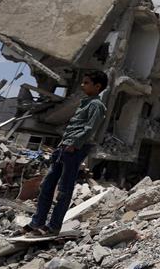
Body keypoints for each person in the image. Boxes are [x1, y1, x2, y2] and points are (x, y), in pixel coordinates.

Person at [24, 70, 108, 236]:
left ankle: (53, 227)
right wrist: (64, 144)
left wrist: (74, 144)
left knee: (63, 189)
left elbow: (90, 129)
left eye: (86, 83)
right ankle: (37, 222)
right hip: (64, 147)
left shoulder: (97, 105)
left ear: (97, 86)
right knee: (47, 185)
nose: (82, 85)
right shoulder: (86, 102)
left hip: (75, 149)